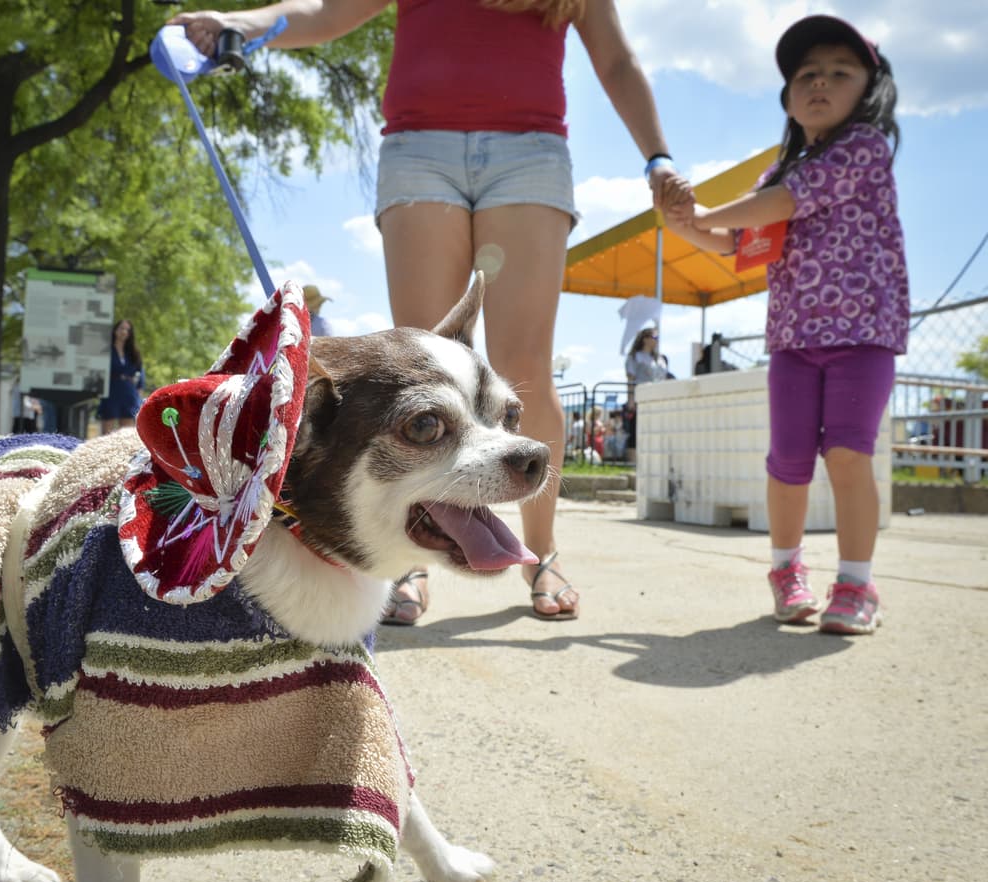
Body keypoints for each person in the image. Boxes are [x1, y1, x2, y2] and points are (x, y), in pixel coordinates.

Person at [171, 0, 689, 623]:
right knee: (421, 362)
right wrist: (244, 23)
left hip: (531, 149)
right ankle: (410, 555)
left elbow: (617, 58)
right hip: (420, 146)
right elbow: (327, 13)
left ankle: (540, 552)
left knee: (525, 362)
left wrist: (658, 156)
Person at [664, 14, 906, 635]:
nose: (819, 82)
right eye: (806, 75)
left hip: (863, 336)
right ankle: (786, 572)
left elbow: (781, 205)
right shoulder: (778, 173)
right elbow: (736, 242)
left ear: (870, 90)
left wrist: (708, 210)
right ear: (789, 99)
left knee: (848, 453)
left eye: (839, 72)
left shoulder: (864, 149)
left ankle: (856, 583)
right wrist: (683, 221)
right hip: (794, 340)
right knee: (788, 461)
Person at [623, 326, 669, 463]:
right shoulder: (634, 357)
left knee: (656, 430)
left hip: (659, 398)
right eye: (655, 337)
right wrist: (631, 400)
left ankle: (653, 461)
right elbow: (631, 379)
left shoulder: (660, 358)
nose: (657, 341)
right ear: (645, 339)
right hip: (641, 398)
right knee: (636, 430)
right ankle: (633, 463)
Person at [97, 319, 146, 435]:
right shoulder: (106, 350)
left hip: (128, 392)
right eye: (121, 328)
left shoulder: (133, 352)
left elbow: (140, 372)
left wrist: (139, 390)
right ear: (115, 330)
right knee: (106, 432)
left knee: (126, 433)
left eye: (127, 330)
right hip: (110, 390)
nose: (124, 332)